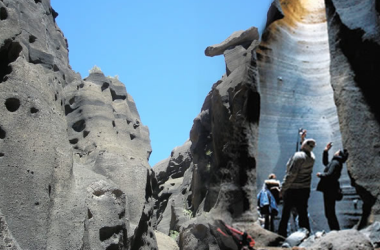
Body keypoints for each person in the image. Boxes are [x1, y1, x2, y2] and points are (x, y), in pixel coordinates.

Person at [278, 139, 316, 237]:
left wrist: (282, 189)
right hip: (304, 190)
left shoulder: (298, 156)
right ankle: (306, 235)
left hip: (292, 189)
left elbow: (291, 175)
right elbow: (306, 149)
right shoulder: (312, 157)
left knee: (286, 213)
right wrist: (303, 139)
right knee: (303, 213)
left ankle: (281, 236)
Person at [316, 142, 349, 231]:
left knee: (329, 212)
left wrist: (320, 175)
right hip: (331, 189)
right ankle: (335, 230)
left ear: (338, 154)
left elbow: (329, 174)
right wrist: (326, 151)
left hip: (329, 189)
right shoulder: (335, 162)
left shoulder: (335, 162)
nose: (336, 151)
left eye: (337, 151)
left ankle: (335, 231)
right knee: (330, 212)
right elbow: (326, 163)